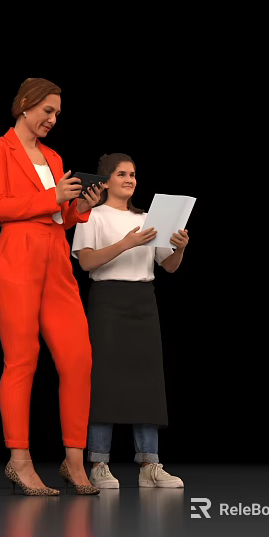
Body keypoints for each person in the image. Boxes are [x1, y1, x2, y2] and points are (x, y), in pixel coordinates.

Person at [0, 78, 103, 496]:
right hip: (17, 260)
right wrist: (54, 197)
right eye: (48, 111)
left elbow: (59, 217)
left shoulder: (53, 156)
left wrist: (78, 206)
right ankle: (20, 460)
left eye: (57, 114)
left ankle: (73, 459)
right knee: (21, 360)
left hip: (55, 260)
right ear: (26, 105)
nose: (52, 120)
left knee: (78, 358)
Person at [71, 153, 188, 489]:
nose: (129, 179)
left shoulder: (150, 216)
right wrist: (127, 243)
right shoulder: (93, 215)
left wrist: (179, 247)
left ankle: (150, 464)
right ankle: (99, 463)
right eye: (121, 173)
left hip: (143, 300)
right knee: (104, 382)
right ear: (105, 180)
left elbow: (168, 266)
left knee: (147, 382)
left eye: (133, 174)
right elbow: (87, 262)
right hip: (107, 301)